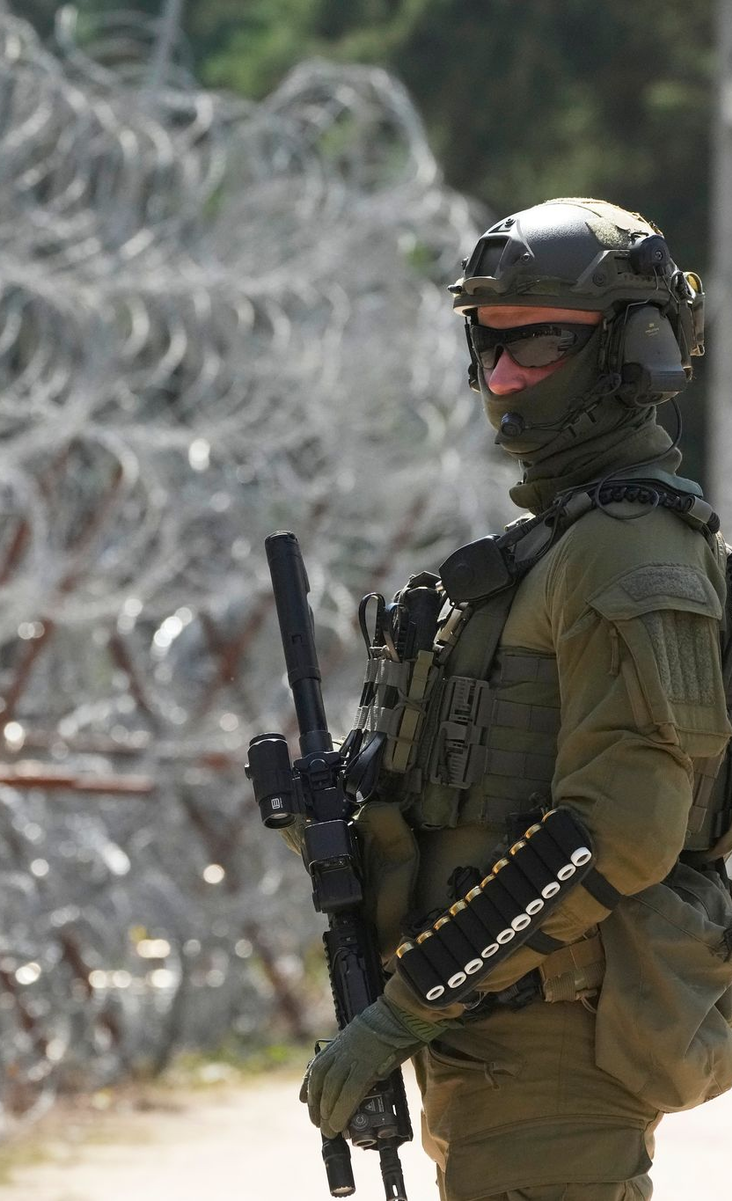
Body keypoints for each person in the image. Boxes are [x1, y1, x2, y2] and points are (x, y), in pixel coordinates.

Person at [295, 198, 732, 1200]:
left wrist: (410, 1002)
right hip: (496, 1032)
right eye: (486, 346)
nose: (501, 381)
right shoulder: (551, 551)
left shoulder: (630, 551)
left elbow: (617, 832)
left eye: (534, 346)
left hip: (558, 1046)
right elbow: (478, 799)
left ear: (638, 350)